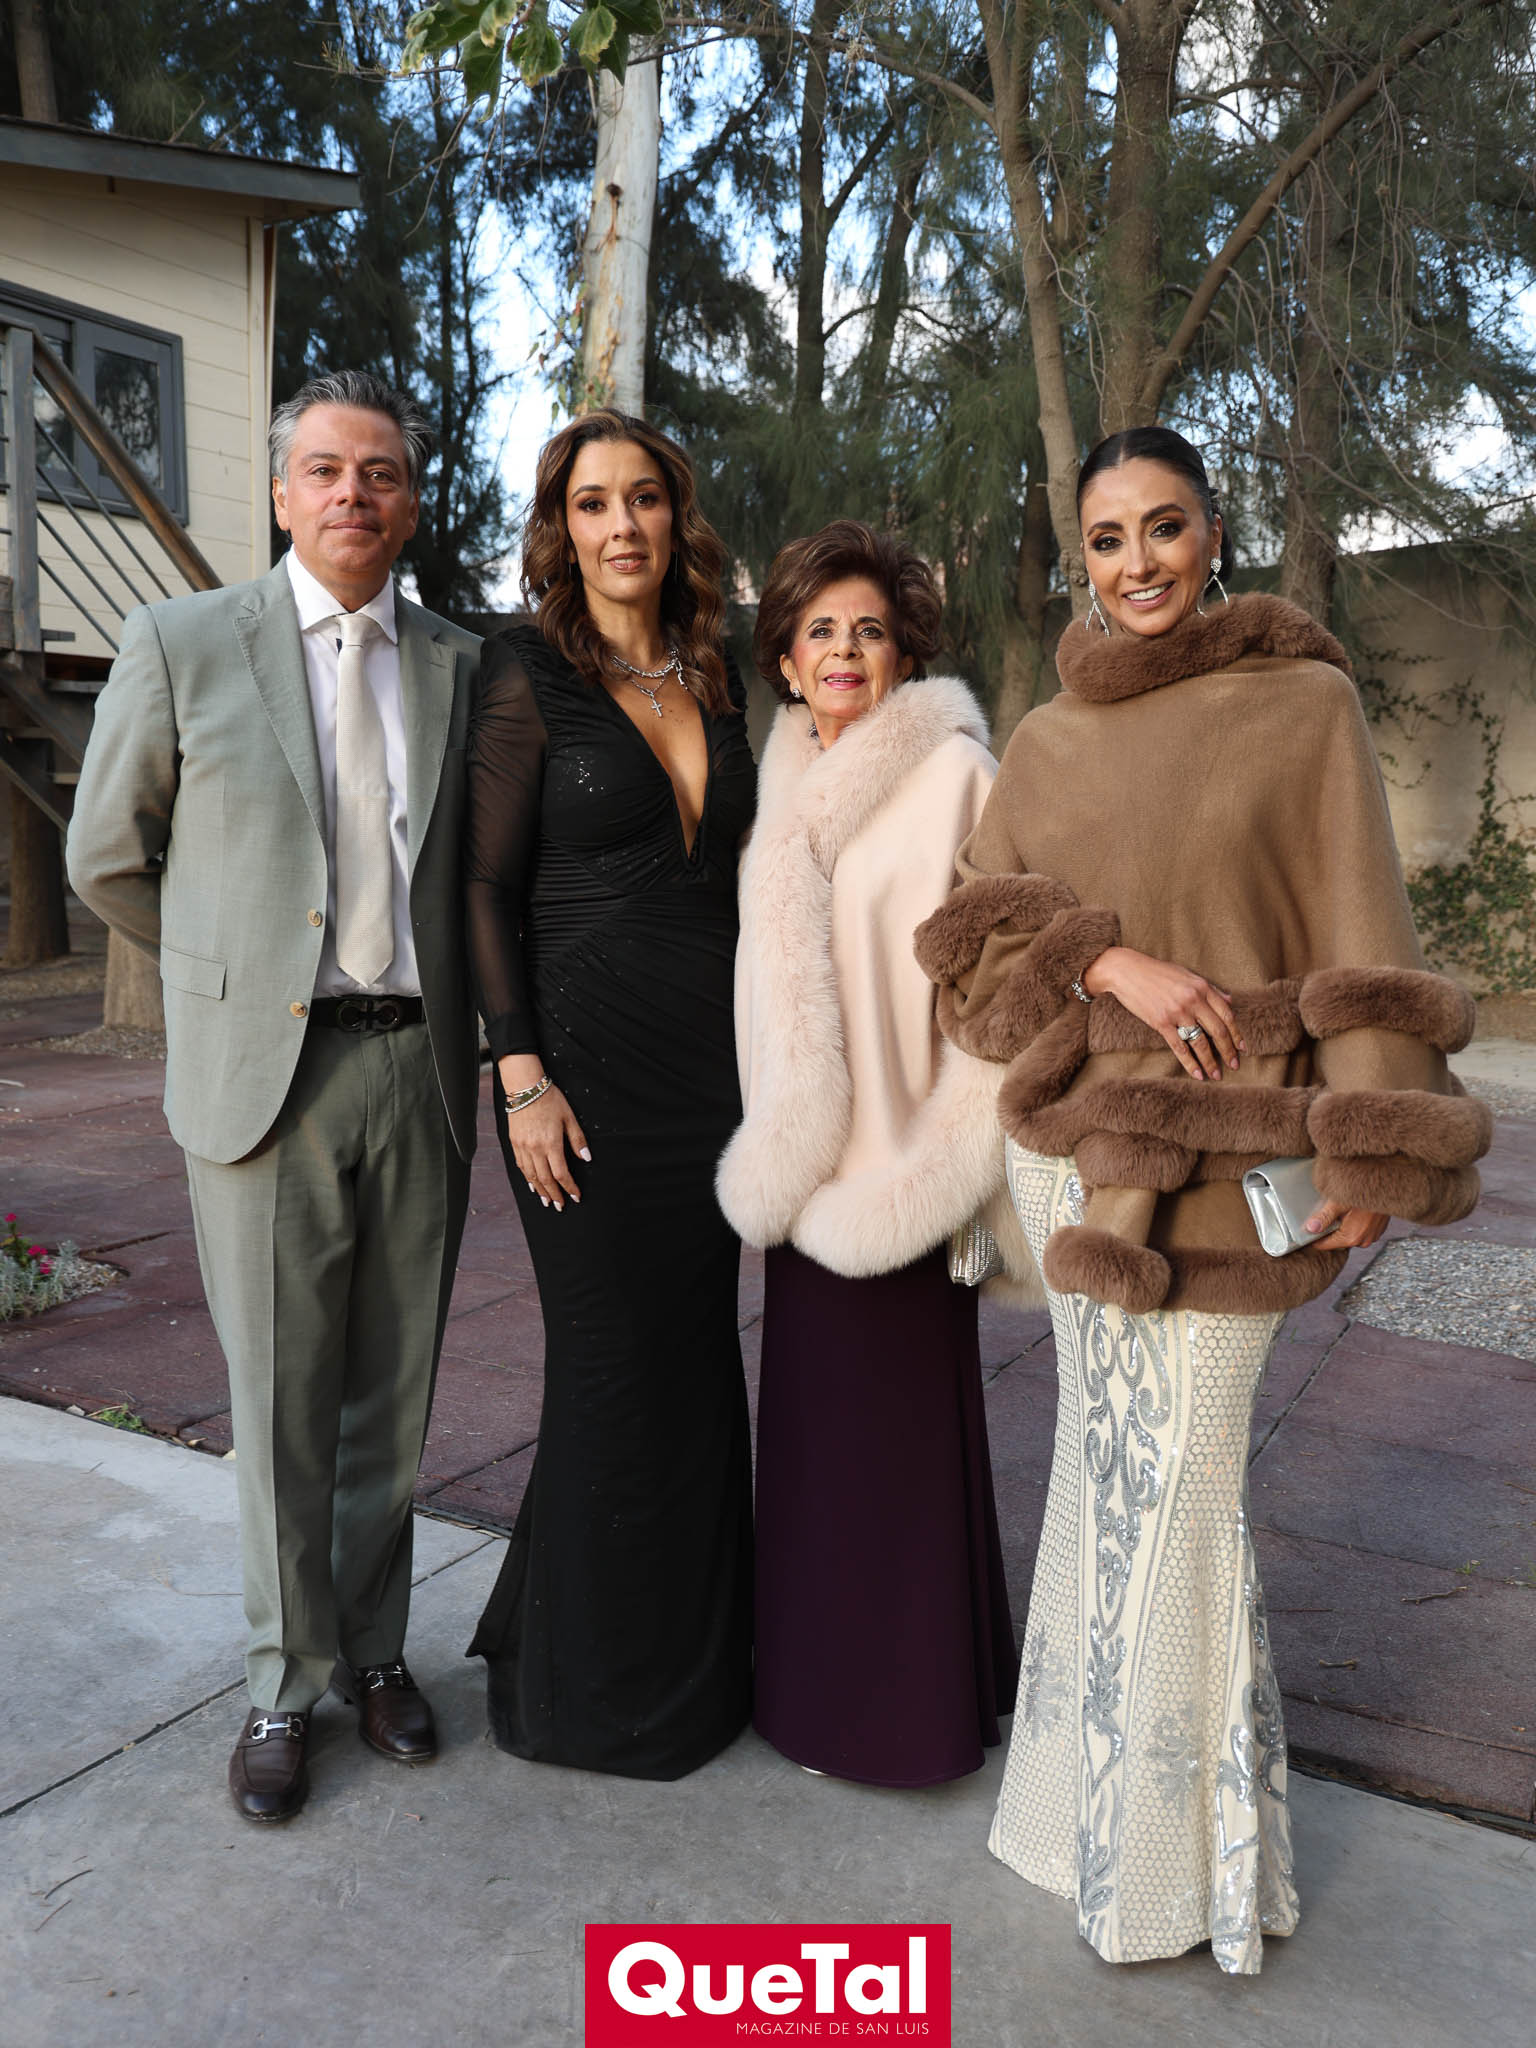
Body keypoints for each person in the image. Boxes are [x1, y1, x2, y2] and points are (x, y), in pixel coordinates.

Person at [915, 426, 1489, 1971]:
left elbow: (1364, 930)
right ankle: (1071, 1823)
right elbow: (969, 949)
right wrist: (1107, 959)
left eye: (1164, 527)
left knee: (1185, 1489)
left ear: (1213, 533)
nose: (1138, 563)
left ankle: (1174, 1873)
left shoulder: (1305, 705)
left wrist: (1373, 1149)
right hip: (1075, 1164)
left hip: (1242, 1161)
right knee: (1103, 1478)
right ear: (1081, 556)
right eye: (1108, 539)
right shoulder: (1049, 739)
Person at [67, 371, 482, 1823]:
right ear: (282, 491)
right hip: (268, 1078)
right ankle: (282, 1685)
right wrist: (227, 973)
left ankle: (376, 1653)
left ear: (410, 503)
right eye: (326, 469)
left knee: (393, 1390)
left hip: (418, 1065)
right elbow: (106, 854)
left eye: (381, 473)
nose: (353, 493)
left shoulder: (462, 662)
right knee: (284, 1397)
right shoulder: (184, 641)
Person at [717, 520, 1037, 1787]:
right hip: (803, 1165)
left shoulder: (957, 769)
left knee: (902, 1449)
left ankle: (911, 1715)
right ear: (786, 661)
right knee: (814, 1450)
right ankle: (812, 1700)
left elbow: (1003, 965)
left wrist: (959, 1143)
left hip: (905, 1166)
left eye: (869, 629)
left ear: (905, 650)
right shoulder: (786, 773)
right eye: (820, 631)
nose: (845, 651)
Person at [463, 410, 755, 1780]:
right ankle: (586, 1694)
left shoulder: (721, 674)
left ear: (676, 517)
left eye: (644, 497)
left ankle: (700, 1670)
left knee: (693, 1364)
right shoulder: (524, 667)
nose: (622, 524)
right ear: (561, 528)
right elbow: (481, 885)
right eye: (593, 503)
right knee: (606, 1367)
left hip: (715, 1079)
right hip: (577, 1080)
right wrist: (518, 1072)